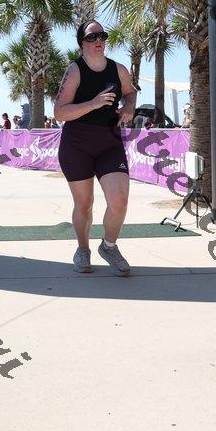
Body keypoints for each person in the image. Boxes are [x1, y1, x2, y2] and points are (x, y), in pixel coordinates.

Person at [55, 19, 137, 277]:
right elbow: (59, 112)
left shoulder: (118, 69)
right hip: (77, 144)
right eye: (92, 37)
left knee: (119, 200)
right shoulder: (75, 70)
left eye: (102, 35)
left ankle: (109, 246)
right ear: (82, 43)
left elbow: (130, 92)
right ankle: (82, 249)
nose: (98, 40)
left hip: (109, 143)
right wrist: (94, 103)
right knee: (84, 204)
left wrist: (129, 107)